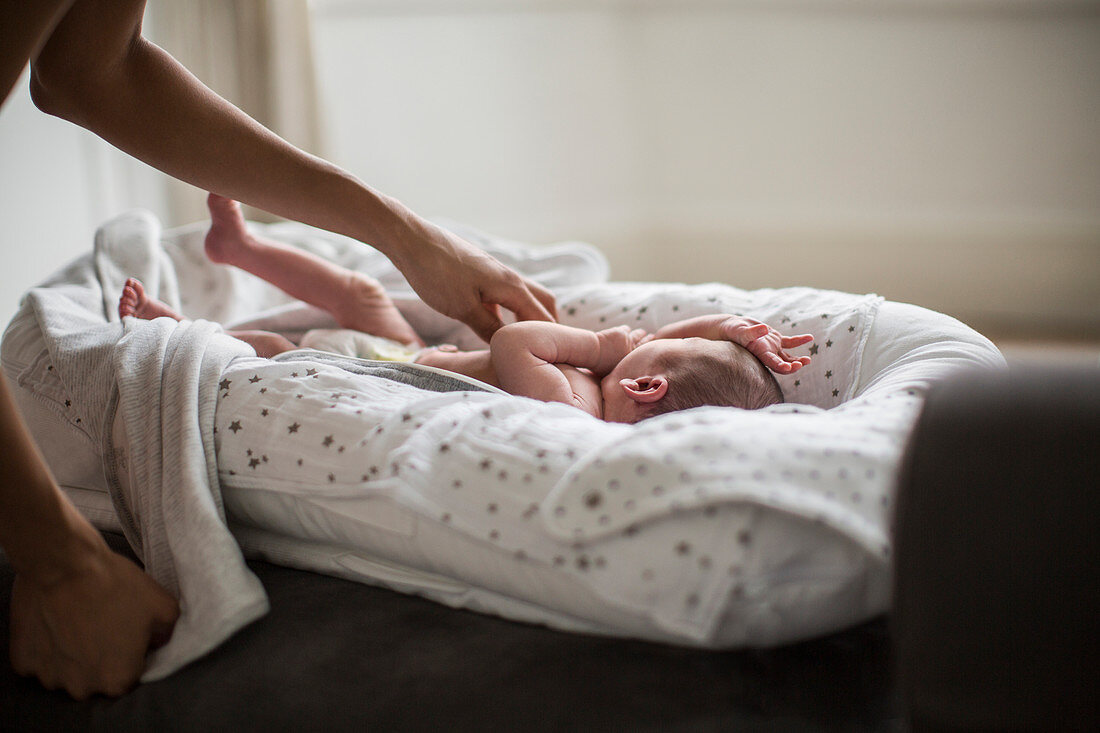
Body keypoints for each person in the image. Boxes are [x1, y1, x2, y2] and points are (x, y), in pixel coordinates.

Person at [2, 0, 556, 699]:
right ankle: (221, 275)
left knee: (257, 350)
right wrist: (56, 561)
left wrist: (410, 237)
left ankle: (191, 308)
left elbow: (90, 70)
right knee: (319, 316)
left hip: (375, 369)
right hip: (388, 357)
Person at [119, 195, 813, 422]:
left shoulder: (576, 405)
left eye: (644, 346)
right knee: (359, 292)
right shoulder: (621, 388)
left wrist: (600, 346)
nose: (638, 333)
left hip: (378, 373)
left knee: (268, 350)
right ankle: (238, 246)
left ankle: (175, 331)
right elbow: (670, 347)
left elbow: (515, 348)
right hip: (406, 352)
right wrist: (724, 328)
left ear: (644, 383)